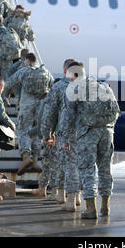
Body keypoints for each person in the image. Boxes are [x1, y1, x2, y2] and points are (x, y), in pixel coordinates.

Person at [60, 61, 120, 219]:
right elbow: (116, 110)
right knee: (105, 168)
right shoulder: (102, 85)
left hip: (88, 133)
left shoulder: (74, 88)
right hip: (107, 131)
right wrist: (107, 127)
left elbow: (67, 116)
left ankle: (91, 208)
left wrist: (66, 138)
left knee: (87, 170)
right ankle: (105, 206)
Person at [39, 59, 81, 210]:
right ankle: (77, 197)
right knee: (80, 164)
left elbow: (48, 113)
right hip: (85, 132)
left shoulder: (58, 87)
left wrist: (46, 133)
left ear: (66, 71)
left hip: (65, 131)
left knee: (66, 164)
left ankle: (67, 198)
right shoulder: (88, 86)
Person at [3, 53, 54, 176]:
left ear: (27, 60)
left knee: (23, 130)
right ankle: (35, 159)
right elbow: (53, 86)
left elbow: (9, 83)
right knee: (36, 131)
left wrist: (5, 95)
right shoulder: (45, 71)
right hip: (41, 105)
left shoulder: (24, 71)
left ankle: (26, 157)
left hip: (26, 105)